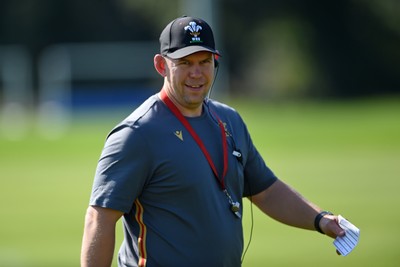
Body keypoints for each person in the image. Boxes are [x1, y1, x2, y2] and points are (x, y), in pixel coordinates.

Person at [81, 16, 345, 267]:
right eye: (185, 63)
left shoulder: (229, 120)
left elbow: (266, 190)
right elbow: (100, 218)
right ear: (162, 65)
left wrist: (320, 220)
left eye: (204, 61)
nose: (197, 73)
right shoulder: (137, 134)